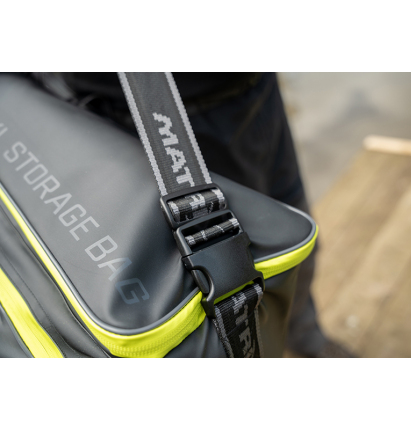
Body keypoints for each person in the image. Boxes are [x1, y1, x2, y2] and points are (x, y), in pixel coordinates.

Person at [31, 72, 352, 357]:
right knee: (218, 293)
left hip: (254, 89)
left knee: (297, 235)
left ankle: (307, 341)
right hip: (152, 110)